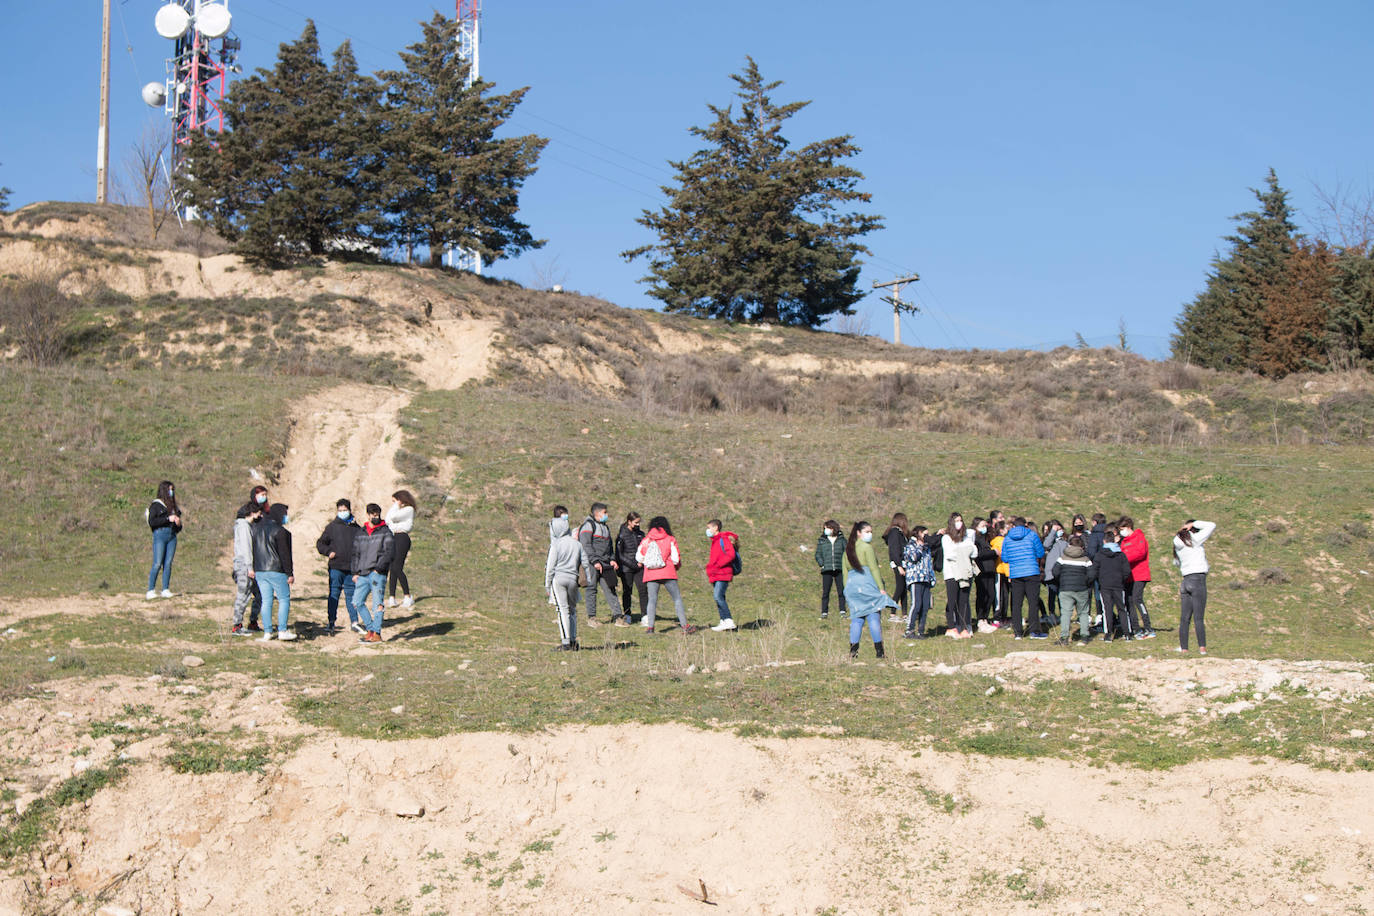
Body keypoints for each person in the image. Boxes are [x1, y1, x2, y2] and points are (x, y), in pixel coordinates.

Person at [842, 521, 896, 658]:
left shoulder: (847, 550)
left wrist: (846, 591)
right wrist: (881, 588)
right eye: (867, 531)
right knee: (873, 617)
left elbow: (844, 573)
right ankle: (879, 652)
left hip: (852, 586)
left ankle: (853, 651)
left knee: (857, 619)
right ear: (859, 533)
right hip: (867, 584)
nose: (870, 534)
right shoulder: (867, 548)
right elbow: (873, 568)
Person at [636, 516, 694, 634]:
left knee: (652, 600)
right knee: (677, 599)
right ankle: (685, 626)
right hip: (668, 572)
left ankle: (650, 628)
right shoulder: (670, 539)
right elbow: (676, 559)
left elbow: (639, 557)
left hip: (651, 574)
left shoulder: (646, 540)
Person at [251, 503, 296, 642]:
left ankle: (267, 632)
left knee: (266, 601)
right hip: (276, 570)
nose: (286, 517)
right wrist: (289, 573)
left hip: (260, 570)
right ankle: (282, 630)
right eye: (285, 514)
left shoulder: (256, 529)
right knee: (283, 599)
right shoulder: (281, 531)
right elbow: (284, 554)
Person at [316, 498, 362, 635]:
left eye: (345, 510)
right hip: (336, 567)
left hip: (352, 569)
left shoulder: (356, 528)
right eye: (340, 510)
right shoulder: (331, 527)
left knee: (352, 596)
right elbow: (320, 543)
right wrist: (328, 552)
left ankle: (355, 622)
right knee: (334, 595)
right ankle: (331, 623)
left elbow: (362, 548)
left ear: (350, 510)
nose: (342, 512)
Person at [350, 503, 394, 643]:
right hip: (362, 574)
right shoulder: (361, 532)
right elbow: (355, 554)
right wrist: (354, 572)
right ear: (368, 515)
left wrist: (378, 568)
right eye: (373, 515)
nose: (375, 517)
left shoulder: (386, 532)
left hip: (377, 574)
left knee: (377, 605)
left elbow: (389, 552)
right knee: (357, 602)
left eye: (377, 515)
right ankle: (370, 629)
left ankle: (377, 633)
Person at [578, 502, 626, 628]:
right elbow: (585, 545)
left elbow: (609, 546)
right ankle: (592, 618)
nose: (607, 515)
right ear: (598, 513)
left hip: (605, 564)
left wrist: (612, 559)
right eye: (605, 512)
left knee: (611, 589)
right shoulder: (588, 526)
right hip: (592, 564)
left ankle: (618, 617)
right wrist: (595, 561)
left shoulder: (605, 527)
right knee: (591, 589)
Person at [1174, 520, 1216, 654]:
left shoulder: (1177, 543)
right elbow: (1211, 525)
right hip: (1198, 580)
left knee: (1184, 618)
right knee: (1198, 618)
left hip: (1186, 581)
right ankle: (1202, 648)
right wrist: (1194, 524)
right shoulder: (1195, 540)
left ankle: (1184, 649)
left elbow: (1176, 563)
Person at [1002, 516, 1047, 639]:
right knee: (1033, 602)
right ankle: (1034, 631)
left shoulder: (1007, 538)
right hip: (1031, 571)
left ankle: (1018, 632)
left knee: (1016, 604)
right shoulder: (1032, 536)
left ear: (1014, 526)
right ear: (1025, 525)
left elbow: (1004, 558)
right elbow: (1040, 553)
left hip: (1016, 573)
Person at [546, 516, 586, 650]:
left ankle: (565, 642)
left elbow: (550, 567)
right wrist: (589, 580)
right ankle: (574, 640)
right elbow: (585, 562)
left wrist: (547, 585)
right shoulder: (577, 544)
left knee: (562, 610)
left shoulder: (556, 544)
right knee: (572, 610)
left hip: (559, 579)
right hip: (573, 579)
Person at [1051, 537, 1096, 644]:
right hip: (1081, 589)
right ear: (1081, 547)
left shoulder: (1062, 558)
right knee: (1084, 613)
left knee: (1066, 613)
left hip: (1065, 589)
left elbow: (1055, 572)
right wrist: (1085, 582)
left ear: (1069, 545)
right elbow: (1092, 575)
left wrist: (1062, 580)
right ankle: (1085, 636)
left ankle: (1064, 637)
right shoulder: (1086, 559)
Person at [1092, 526, 1133, 641]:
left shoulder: (1099, 555)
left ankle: (1109, 634)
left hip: (1105, 585)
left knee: (1107, 609)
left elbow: (1095, 570)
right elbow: (1127, 571)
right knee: (1122, 609)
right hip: (1119, 586)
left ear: (1104, 541)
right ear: (1114, 540)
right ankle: (1127, 634)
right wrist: (1121, 579)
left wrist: (1099, 580)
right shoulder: (1121, 555)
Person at [941, 513, 978, 639]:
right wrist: (964, 550)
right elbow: (950, 554)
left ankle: (963, 627)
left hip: (965, 572)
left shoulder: (966, 537)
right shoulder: (946, 538)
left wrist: (963, 549)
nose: (959, 523)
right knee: (952, 600)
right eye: (956, 520)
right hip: (951, 573)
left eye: (961, 520)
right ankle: (951, 626)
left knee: (963, 600)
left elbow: (974, 551)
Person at [1119, 517, 1156, 638]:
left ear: (1129, 527)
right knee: (1129, 601)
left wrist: (1124, 558)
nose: (1121, 531)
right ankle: (1136, 628)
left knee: (1137, 599)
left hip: (1140, 574)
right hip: (1129, 576)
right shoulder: (1124, 541)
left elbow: (1140, 553)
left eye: (1122, 529)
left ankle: (1148, 627)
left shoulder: (1139, 537)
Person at [229, 501, 262, 636]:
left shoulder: (246, 526)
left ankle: (253, 622)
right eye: (259, 513)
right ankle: (237, 625)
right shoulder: (244, 527)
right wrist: (250, 567)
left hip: (246, 565)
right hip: (244, 565)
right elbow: (246, 548)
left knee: (259, 595)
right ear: (253, 513)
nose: (260, 516)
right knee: (243, 595)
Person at [146, 481, 182, 599]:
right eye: (170, 490)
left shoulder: (173, 506)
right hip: (160, 535)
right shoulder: (156, 505)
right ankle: (150, 590)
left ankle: (165, 589)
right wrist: (167, 518)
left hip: (172, 536)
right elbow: (152, 522)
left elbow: (178, 528)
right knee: (157, 563)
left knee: (168, 563)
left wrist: (178, 523)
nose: (171, 492)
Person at [901, 525, 938, 638]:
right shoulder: (910, 546)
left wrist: (932, 578)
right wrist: (919, 547)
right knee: (916, 604)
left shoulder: (927, 548)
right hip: (915, 579)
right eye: (924, 534)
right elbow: (913, 557)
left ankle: (921, 630)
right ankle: (909, 630)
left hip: (926, 579)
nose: (926, 537)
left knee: (925, 605)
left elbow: (929, 564)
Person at [704, 519, 739, 632]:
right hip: (716, 573)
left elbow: (731, 554)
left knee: (718, 596)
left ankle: (728, 621)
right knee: (719, 597)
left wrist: (718, 565)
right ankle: (723, 621)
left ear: (716, 528)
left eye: (709, 528)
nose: (707, 530)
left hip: (723, 572)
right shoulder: (715, 541)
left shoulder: (723, 539)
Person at [385, 490, 416, 610]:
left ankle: (407, 596)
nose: (394, 504)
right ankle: (392, 596)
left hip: (402, 538)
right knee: (392, 567)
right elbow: (388, 520)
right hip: (394, 536)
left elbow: (392, 517)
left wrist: (395, 506)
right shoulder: (399, 510)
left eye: (395, 501)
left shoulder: (409, 509)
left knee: (397, 567)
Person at [615, 512, 648, 623]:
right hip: (627, 568)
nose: (638, 525)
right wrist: (633, 564)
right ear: (629, 522)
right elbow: (619, 554)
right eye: (636, 522)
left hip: (640, 567)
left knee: (643, 590)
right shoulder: (622, 535)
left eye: (639, 522)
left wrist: (642, 561)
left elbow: (645, 548)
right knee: (627, 591)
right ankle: (627, 614)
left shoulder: (641, 534)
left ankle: (645, 615)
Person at [815, 520, 848, 619]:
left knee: (841, 591)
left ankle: (842, 611)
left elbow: (847, 553)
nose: (825, 530)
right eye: (824, 528)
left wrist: (845, 565)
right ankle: (824, 612)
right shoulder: (822, 540)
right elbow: (818, 554)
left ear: (833, 528)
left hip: (839, 568)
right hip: (827, 569)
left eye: (827, 528)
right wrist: (822, 564)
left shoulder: (842, 540)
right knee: (826, 592)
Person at [972, 517, 1000, 632]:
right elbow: (979, 554)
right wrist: (993, 552)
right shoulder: (976, 539)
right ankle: (980, 618)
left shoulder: (986, 538)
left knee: (991, 594)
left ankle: (985, 617)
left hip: (990, 570)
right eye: (982, 526)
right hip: (982, 570)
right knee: (982, 595)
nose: (985, 528)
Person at [882, 514, 910, 622]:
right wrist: (899, 566)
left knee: (903, 588)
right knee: (900, 587)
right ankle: (892, 613)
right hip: (899, 564)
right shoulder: (894, 532)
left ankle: (904, 614)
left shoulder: (900, 533)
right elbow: (894, 551)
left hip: (903, 564)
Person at [991, 519, 1011, 629]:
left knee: (1004, 595)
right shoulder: (1000, 541)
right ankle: (997, 618)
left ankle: (1003, 616)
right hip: (1000, 571)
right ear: (1002, 530)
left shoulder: (1005, 540)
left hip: (1004, 571)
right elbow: (1004, 560)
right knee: (999, 596)